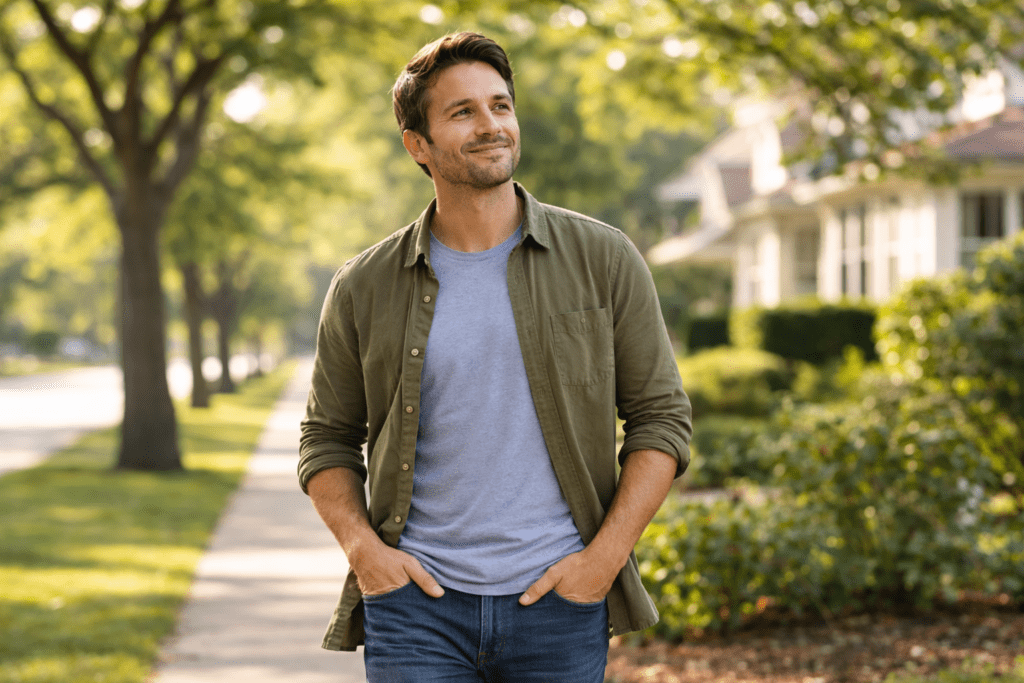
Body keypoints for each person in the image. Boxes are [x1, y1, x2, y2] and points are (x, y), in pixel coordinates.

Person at [298, 31, 692, 682]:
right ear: (417, 145)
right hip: (415, 608)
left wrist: (601, 563)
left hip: (560, 602)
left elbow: (661, 420)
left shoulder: (603, 259)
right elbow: (326, 439)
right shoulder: (364, 285)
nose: (490, 125)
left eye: (500, 105)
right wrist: (365, 553)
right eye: (463, 112)